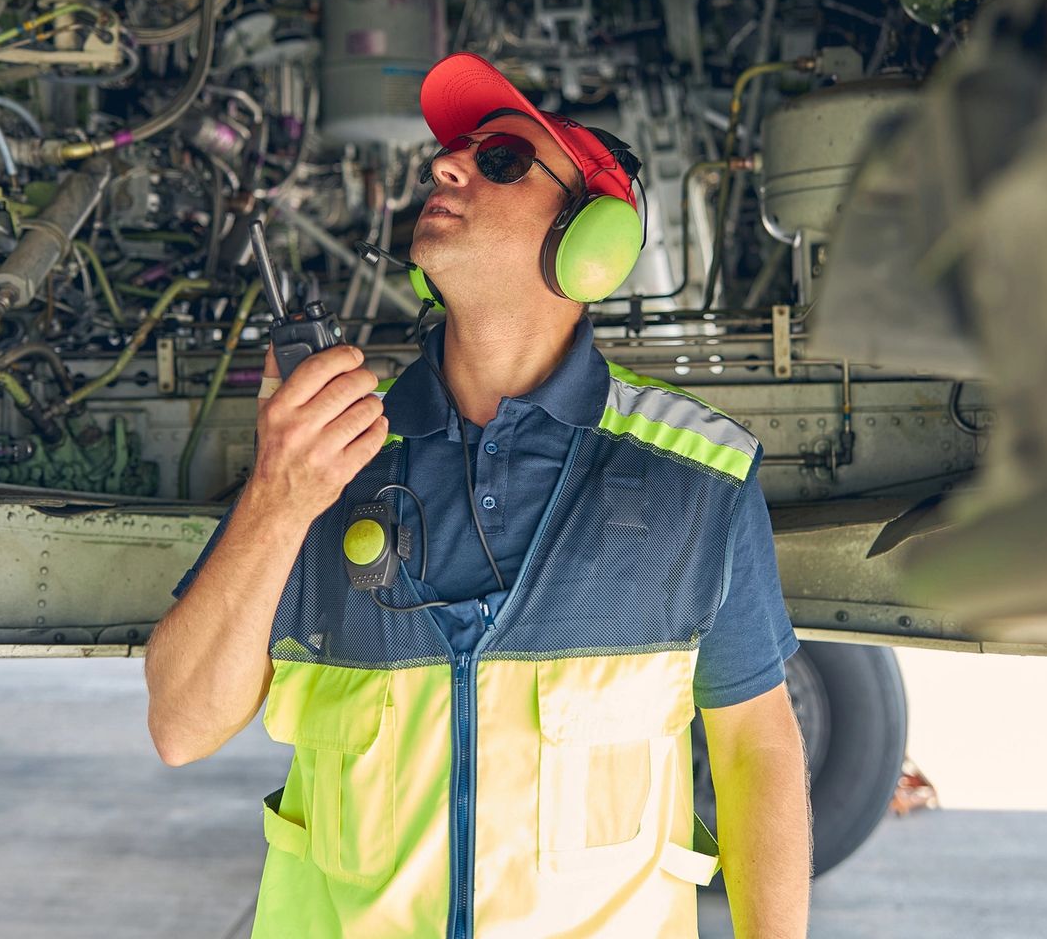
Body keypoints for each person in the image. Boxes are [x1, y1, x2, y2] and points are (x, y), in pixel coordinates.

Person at [145, 53, 811, 939]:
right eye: (454, 154)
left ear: (591, 242)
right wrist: (278, 496)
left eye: (500, 160)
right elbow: (181, 727)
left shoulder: (698, 479)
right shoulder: (325, 458)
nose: (444, 166)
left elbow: (754, 745)